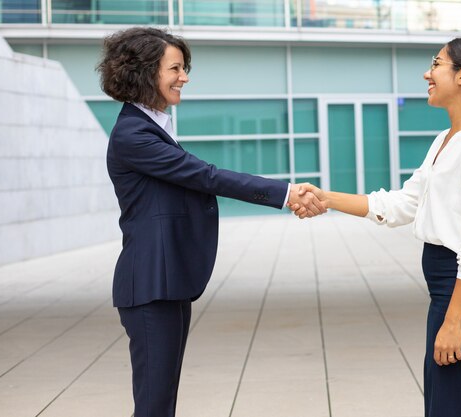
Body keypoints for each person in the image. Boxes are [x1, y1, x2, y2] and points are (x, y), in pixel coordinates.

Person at [96, 27, 323, 417]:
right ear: (145, 72)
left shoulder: (151, 125)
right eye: (176, 68)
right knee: (154, 404)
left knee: (161, 398)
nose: (184, 77)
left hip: (166, 282)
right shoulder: (134, 134)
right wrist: (285, 194)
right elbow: (206, 176)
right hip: (150, 283)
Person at [291, 37, 461, 416]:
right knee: (449, 404)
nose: (427, 73)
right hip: (451, 295)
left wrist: (453, 320)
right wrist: (326, 198)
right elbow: (401, 204)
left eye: (437, 64)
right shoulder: (445, 140)